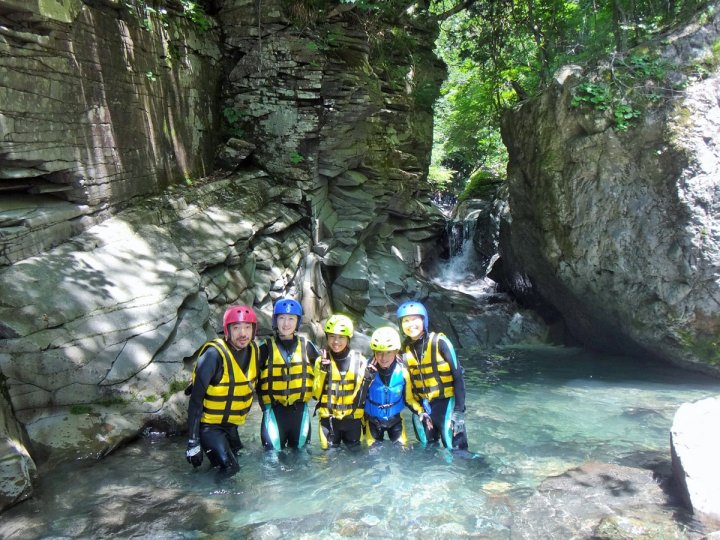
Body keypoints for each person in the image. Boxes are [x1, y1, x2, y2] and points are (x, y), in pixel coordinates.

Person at [185, 305, 260, 474]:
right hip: (209, 428)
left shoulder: (254, 350)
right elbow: (196, 401)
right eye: (237, 328)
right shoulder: (213, 356)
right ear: (227, 330)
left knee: (239, 458)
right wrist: (192, 442)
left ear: (254, 330)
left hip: (231, 426)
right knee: (231, 469)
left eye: (247, 327)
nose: (243, 333)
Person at [396, 300, 469, 450]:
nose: (411, 325)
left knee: (459, 453)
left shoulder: (440, 342)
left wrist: (459, 411)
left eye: (415, 319)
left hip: (446, 405)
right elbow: (405, 389)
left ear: (424, 320)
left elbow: (458, 377)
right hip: (423, 410)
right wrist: (418, 411)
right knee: (427, 453)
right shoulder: (403, 350)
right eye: (406, 321)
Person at [257, 298, 319, 450]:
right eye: (282, 318)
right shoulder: (264, 349)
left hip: (300, 414)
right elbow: (247, 377)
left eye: (291, 319)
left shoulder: (308, 347)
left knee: (302, 458)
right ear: (275, 320)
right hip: (273, 413)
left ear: (297, 322)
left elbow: (324, 376)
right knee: (271, 460)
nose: (286, 324)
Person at [362, 326, 432, 447]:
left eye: (388, 352)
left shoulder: (403, 372)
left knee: (401, 452)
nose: (383, 358)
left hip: (395, 420)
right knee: (372, 456)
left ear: (396, 351)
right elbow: (358, 399)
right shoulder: (366, 370)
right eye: (379, 352)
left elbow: (409, 399)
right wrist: (366, 380)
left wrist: (421, 412)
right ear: (374, 352)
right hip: (372, 421)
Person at [312, 314, 368, 449]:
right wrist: (323, 371)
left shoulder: (360, 360)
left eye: (341, 337)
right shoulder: (321, 361)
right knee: (329, 461)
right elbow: (315, 395)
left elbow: (362, 395)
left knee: (355, 459)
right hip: (329, 421)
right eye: (332, 336)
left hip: (353, 420)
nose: (336, 341)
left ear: (348, 339)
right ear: (327, 337)